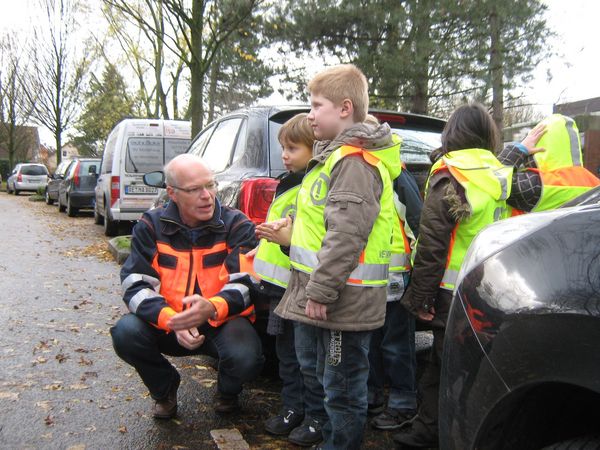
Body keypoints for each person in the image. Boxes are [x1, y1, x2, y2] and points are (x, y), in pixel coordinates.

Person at [258, 64, 401, 450]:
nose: (309, 114)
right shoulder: (333, 159)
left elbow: (347, 235)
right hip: (320, 295)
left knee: (341, 386)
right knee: (322, 376)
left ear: (344, 108)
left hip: (342, 300)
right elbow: (322, 230)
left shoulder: (355, 163)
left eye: (316, 105)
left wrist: (320, 292)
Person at [395, 102, 546, 448]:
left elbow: (433, 245)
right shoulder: (500, 171)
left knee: (445, 365)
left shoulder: (450, 173)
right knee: (479, 367)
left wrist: (419, 300)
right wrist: (519, 149)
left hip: (455, 291)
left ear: (451, 135)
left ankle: (436, 432)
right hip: (495, 287)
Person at [110, 154, 264, 419]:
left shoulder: (236, 224)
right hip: (169, 322)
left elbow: (247, 283)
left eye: (211, 185)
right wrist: (172, 319)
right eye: (194, 189)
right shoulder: (151, 225)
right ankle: (164, 389)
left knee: (247, 356)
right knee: (125, 332)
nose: (207, 195)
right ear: (172, 193)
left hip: (220, 320)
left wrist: (212, 307)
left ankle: (227, 393)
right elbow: (134, 285)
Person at [254, 113, 328, 446]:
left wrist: (286, 240)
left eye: (293, 148)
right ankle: (293, 408)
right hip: (278, 287)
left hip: (299, 286)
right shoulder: (288, 181)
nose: (285, 154)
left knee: (308, 358)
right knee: (286, 354)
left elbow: (311, 239)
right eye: (283, 147)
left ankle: (315, 415)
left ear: (315, 148)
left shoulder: (313, 186)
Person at [360, 115, 422, 431]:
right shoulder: (361, 170)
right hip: (367, 277)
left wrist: (421, 277)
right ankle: (371, 397)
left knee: (396, 344)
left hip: (395, 275)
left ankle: (403, 403)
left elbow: (417, 222)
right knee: (370, 341)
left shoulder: (395, 174)